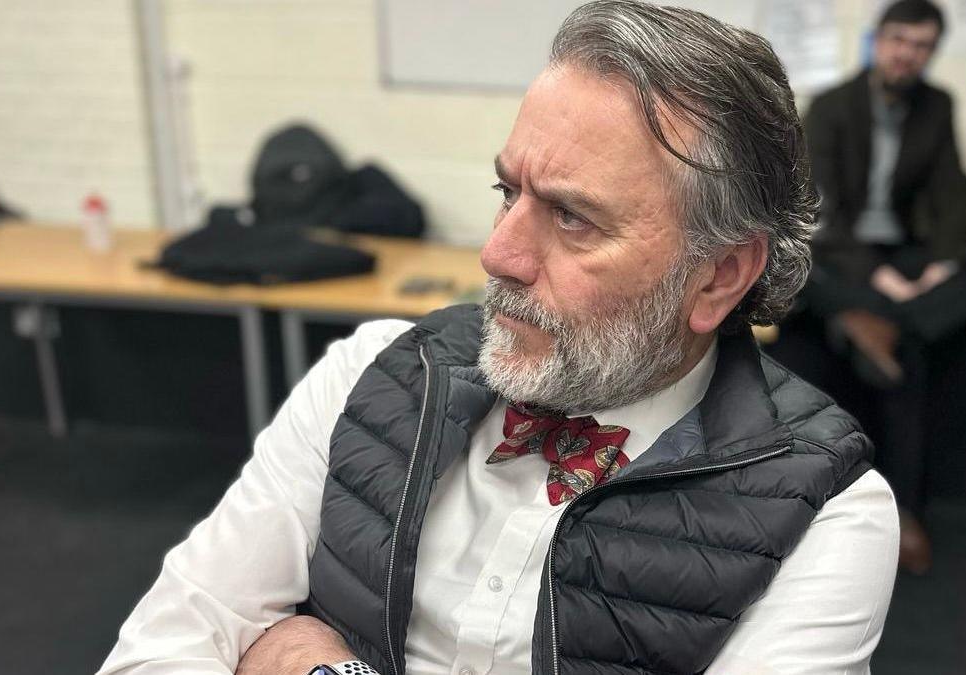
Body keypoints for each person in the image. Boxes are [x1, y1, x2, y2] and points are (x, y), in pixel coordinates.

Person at [98, 2, 898, 674]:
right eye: (506, 191)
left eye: (573, 216)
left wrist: (311, 661)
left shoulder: (825, 512)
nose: (498, 254)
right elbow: (156, 649)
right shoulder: (370, 371)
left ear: (720, 274)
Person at [799, 0, 966, 574]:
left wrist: (941, 268)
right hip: (843, 256)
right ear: (878, 40)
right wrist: (879, 279)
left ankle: (883, 323)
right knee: (803, 275)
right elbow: (819, 214)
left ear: (932, 52)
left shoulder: (937, 106)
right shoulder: (830, 107)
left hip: (904, 252)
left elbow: (953, 192)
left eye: (922, 45)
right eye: (900, 40)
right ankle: (904, 509)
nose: (909, 53)